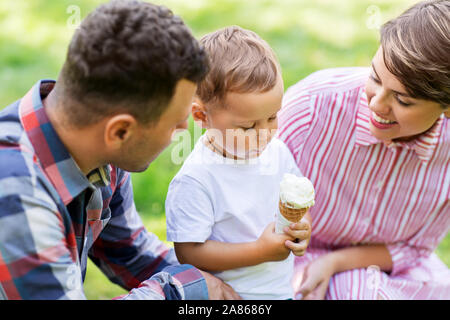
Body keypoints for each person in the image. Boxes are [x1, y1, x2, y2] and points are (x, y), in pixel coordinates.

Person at [0, 0, 241, 300]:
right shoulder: (15, 191)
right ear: (120, 131)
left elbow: (129, 251)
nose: (184, 132)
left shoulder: (100, 153)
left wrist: (230, 284)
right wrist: (184, 291)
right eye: (176, 125)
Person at [277, 0, 449, 300]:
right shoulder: (311, 109)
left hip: (390, 273)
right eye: (374, 77)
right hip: (286, 258)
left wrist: (336, 263)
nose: (376, 104)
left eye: (403, 100)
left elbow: (413, 249)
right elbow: (243, 201)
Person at [165, 26, 312, 300]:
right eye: (247, 127)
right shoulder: (197, 178)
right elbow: (189, 251)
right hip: (230, 296)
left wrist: (302, 228)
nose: (265, 133)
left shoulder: (277, 153)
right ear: (202, 116)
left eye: (272, 117)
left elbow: (298, 209)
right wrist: (260, 251)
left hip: (279, 292)